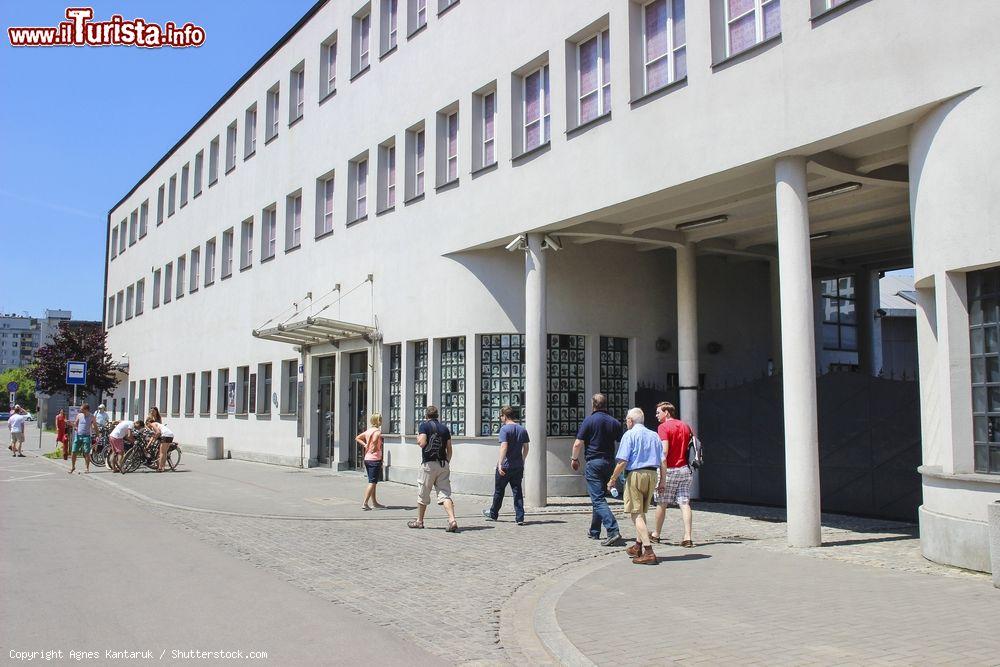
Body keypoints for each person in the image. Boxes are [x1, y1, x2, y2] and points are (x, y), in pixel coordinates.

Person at [608, 407, 667, 565]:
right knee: (642, 511)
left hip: (636, 474)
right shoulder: (654, 435)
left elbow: (623, 461)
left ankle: (648, 551)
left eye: (627, 419)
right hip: (652, 474)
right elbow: (663, 461)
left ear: (630, 421)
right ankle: (638, 545)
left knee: (636, 513)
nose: (626, 422)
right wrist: (662, 481)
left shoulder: (629, 434)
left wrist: (612, 479)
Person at [571, 394, 624, 546]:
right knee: (598, 497)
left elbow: (578, 443)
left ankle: (613, 530)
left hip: (594, 463)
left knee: (598, 499)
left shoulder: (589, 420)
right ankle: (594, 531)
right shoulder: (614, 422)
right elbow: (621, 444)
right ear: (606, 405)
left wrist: (574, 459)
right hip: (609, 463)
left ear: (593, 405)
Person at [407, 405, 458, 532]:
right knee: (445, 494)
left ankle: (419, 521)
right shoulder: (445, 429)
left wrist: (418, 438)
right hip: (442, 464)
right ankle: (452, 520)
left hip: (429, 465)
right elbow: (449, 449)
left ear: (426, 416)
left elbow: (423, 443)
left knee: (423, 492)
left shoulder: (424, 426)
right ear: (437, 416)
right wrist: (446, 462)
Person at [651, 402, 695, 547]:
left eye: (658, 412)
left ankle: (656, 534)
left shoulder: (663, 427)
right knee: (684, 503)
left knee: (662, 503)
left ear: (667, 413)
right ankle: (687, 536)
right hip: (685, 469)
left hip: (669, 470)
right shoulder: (685, 426)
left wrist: (660, 470)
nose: (656, 415)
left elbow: (664, 450)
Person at [482, 405, 529, 525]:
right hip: (518, 465)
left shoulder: (504, 429)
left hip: (506, 466)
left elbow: (504, 446)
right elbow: (526, 447)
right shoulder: (522, 429)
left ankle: (493, 513)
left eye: (501, 416)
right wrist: (522, 459)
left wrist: (500, 464)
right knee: (517, 491)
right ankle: (520, 517)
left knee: (499, 490)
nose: (500, 418)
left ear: (505, 416)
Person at [356, 413, 386, 510]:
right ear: (378, 421)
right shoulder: (377, 432)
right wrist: (373, 447)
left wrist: (365, 445)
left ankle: (374, 502)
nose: (381, 421)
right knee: (372, 482)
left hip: (367, 459)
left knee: (372, 481)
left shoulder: (368, 431)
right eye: (380, 419)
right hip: (374, 459)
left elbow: (357, 438)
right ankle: (365, 503)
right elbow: (375, 441)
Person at [70, 403, 98, 474]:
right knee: (73, 451)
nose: (80, 410)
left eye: (82, 409)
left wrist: (97, 435)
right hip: (78, 435)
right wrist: (70, 424)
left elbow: (95, 426)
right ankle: (73, 466)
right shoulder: (79, 415)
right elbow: (75, 425)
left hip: (86, 436)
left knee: (86, 452)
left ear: (86, 409)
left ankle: (87, 468)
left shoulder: (92, 416)